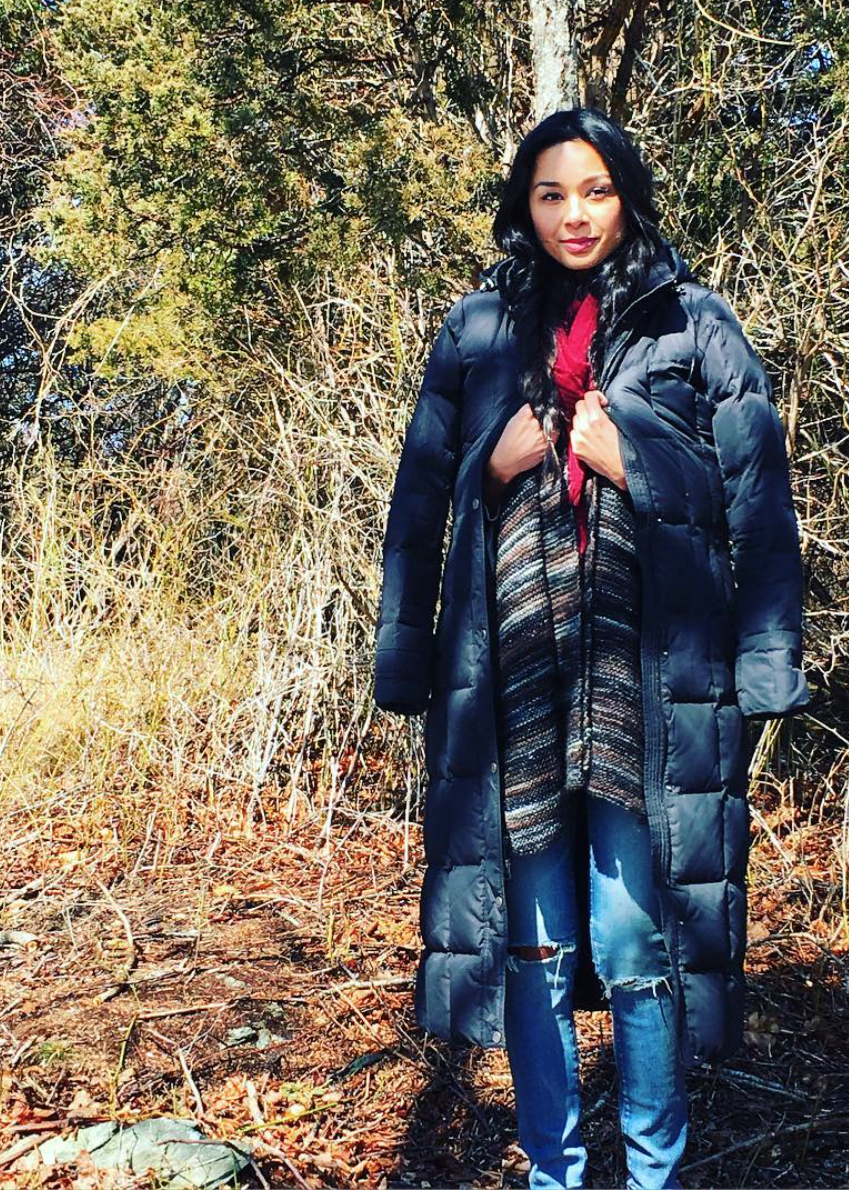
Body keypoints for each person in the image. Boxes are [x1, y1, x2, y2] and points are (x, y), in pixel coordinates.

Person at [373, 106, 810, 1190]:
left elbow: (758, 508)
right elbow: (417, 505)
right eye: (551, 193)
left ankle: (654, 1174)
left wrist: (634, 465)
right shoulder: (477, 329)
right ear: (524, 205)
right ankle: (553, 1176)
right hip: (513, 690)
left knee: (633, 943)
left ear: (629, 196)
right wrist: (490, 468)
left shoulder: (695, 324)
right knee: (535, 943)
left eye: (596, 190)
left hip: (645, 689)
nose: (575, 214)